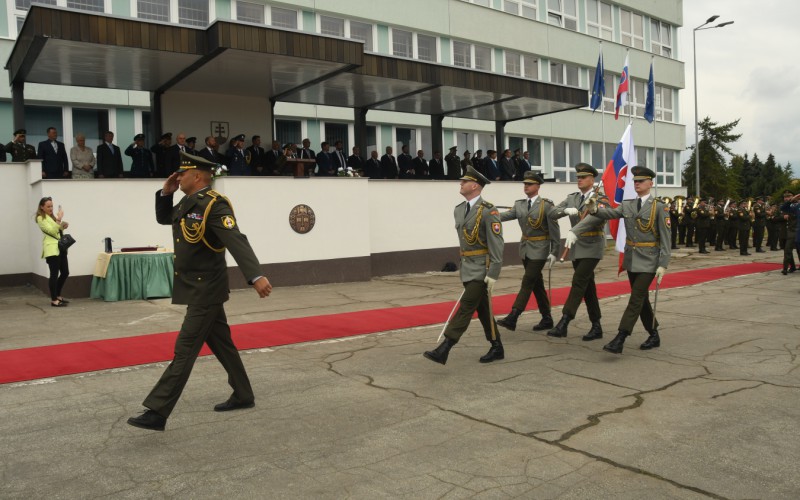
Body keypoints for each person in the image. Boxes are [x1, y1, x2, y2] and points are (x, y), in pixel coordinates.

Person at [127, 151, 273, 432]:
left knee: (185, 349)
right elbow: (165, 219)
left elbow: (235, 239)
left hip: (206, 287)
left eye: (182, 174)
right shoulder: (187, 201)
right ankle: (243, 394)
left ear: (197, 176)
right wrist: (165, 193)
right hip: (195, 286)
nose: (177, 177)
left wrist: (255, 275)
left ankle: (157, 410)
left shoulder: (214, 205)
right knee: (223, 345)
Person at [571, 166, 670, 354]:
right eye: (635, 181)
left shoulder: (659, 207)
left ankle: (621, 337)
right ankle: (654, 333)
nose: (637, 183)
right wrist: (594, 209)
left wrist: (663, 264)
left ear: (651, 183)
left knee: (636, 298)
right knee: (642, 300)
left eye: (641, 181)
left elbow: (666, 238)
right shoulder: (628, 204)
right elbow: (609, 213)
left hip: (649, 261)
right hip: (632, 259)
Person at [423, 166, 504, 365]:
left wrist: (493, 272)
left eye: (464, 181)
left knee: (466, 306)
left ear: (475, 185)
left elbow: (497, 244)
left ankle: (445, 347)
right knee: (483, 309)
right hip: (467, 267)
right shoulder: (459, 209)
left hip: (482, 269)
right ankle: (497, 346)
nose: (460, 183)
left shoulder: (489, 211)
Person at [549, 163, 607, 341]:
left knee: (579, 281)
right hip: (576, 247)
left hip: (592, 245)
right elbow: (552, 212)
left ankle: (565, 321)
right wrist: (564, 210)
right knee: (588, 287)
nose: (579, 180)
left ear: (592, 179)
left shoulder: (601, 198)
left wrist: (576, 230)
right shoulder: (572, 198)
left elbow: (597, 218)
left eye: (583, 177)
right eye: (578, 177)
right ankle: (596, 326)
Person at [496, 171, 560, 332]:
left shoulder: (546, 205)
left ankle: (513, 316)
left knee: (527, 281)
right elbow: (505, 216)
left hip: (540, 249)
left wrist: (554, 251)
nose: (526, 186)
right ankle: (547, 318)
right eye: (524, 184)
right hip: (525, 248)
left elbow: (554, 229)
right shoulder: (519, 205)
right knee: (536, 284)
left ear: (537, 186)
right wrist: (487, 215)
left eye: (529, 184)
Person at [34, 197, 70, 307]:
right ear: (42, 207)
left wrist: (63, 226)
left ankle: (58, 295)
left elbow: (57, 231)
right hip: (51, 249)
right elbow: (51, 231)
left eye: (52, 206)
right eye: (48, 206)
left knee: (65, 272)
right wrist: (59, 220)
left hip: (60, 248)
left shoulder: (51, 217)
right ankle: (54, 300)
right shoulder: (41, 218)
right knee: (54, 275)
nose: (51, 208)